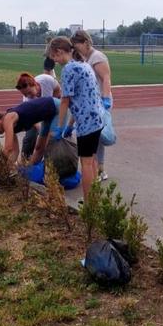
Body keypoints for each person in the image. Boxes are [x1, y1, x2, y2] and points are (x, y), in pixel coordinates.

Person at [48, 36, 105, 202]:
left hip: (87, 123)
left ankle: (89, 204)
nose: (54, 60)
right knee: (92, 160)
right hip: (96, 118)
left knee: (86, 163)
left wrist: (60, 126)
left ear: (59, 52)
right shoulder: (83, 64)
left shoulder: (68, 69)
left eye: (54, 56)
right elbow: (80, 98)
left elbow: (66, 100)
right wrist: (71, 125)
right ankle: (94, 198)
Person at [71, 30, 113, 181]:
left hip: (101, 100)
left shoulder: (97, 57)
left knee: (98, 136)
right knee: (95, 136)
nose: (76, 49)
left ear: (86, 43)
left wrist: (106, 99)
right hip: (93, 101)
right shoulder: (86, 58)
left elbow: (106, 78)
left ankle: (100, 169)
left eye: (77, 45)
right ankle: (97, 168)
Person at [0, 97, 65, 165]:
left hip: (57, 109)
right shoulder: (9, 127)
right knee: (39, 148)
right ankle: (31, 171)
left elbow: (8, 148)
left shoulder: (8, 119)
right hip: (47, 115)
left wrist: (0, 167)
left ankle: (55, 174)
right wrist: (8, 167)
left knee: (50, 146)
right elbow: (15, 151)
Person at [14, 72, 61, 158]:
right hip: (35, 115)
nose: (28, 96)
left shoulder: (46, 80)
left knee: (52, 137)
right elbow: (32, 119)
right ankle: (25, 158)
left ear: (34, 84)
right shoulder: (27, 101)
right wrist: (41, 130)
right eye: (25, 94)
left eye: (29, 92)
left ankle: (51, 161)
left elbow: (57, 87)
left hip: (51, 110)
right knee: (30, 136)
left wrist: (55, 99)